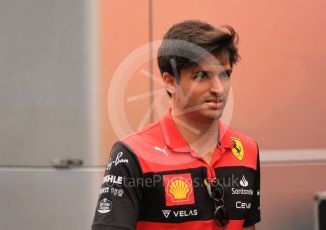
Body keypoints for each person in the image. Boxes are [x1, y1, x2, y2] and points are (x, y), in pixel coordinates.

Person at [92, 20, 260, 230]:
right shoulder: (132, 154)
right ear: (170, 82)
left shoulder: (246, 149)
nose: (219, 88)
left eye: (225, 74)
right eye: (202, 75)